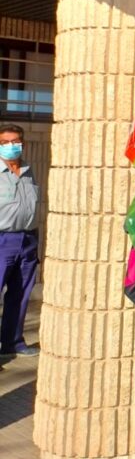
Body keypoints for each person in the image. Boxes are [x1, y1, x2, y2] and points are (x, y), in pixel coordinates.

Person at [0, 123, 40, 359]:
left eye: (15, 141)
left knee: (20, 294)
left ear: (22, 144)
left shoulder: (28, 170)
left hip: (27, 239)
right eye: (4, 142)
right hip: (2, 239)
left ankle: (12, 342)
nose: (10, 146)